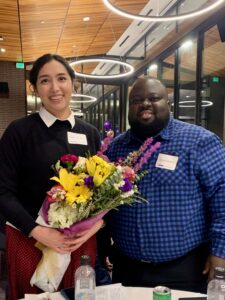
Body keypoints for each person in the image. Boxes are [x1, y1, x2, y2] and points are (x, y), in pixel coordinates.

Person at [97, 76, 225, 293]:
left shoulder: (200, 142)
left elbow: (222, 201)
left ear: (169, 104)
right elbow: (104, 207)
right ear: (129, 107)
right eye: (137, 100)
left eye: (154, 98)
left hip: (185, 270)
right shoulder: (115, 149)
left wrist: (220, 254)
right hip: (127, 270)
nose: (145, 104)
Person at [0, 53, 103, 300]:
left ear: (73, 83)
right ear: (34, 87)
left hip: (79, 242)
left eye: (61, 78)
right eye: (45, 81)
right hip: (30, 241)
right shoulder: (19, 131)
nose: (55, 88)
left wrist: (92, 229)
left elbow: (103, 191)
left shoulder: (90, 133)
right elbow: (2, 191)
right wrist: (37, 230)